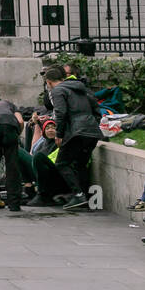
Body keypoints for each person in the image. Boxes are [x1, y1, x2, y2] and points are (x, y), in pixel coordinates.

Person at [46, 65, 102, 209]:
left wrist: (59, 134)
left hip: (77, 132)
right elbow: (97, 110)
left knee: (61, 163)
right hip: (92, 131)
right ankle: (84, 197)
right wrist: (92, 124)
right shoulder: (82, 88)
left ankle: (78, 195)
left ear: (49, 82)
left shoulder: (58, 90)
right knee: (80, 164)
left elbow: (60, 113)